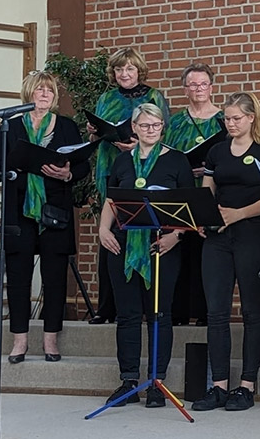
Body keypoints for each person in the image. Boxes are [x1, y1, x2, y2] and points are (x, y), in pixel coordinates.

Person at [0, 71, 90, 364]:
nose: (45, 94)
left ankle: (50, 340)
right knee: (18, 278)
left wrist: (67, 174)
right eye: (39, 89)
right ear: (28, 93)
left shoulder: (66, 126)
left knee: (55, 279)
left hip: (55, 210)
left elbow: (83, 167)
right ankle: (19, 341)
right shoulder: (11, 126)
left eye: (50, 90)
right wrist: (17, 169)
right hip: (19, 211)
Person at [97, 103, 194, 407]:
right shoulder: (123, 161)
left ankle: (156, 382)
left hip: (161, 246)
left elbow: (188, 206)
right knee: (127, 315)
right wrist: (103, 230)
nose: (151, 130)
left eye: (156, 125)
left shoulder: (177, 160)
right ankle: (128, 380)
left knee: (159, 314)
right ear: (134, 128)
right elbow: (111, 199)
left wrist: (175, 236)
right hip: (124, 246)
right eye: (144, 125)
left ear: (162, 127)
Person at [192, 92, 260, 412]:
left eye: (236, 118)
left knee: (251, 311)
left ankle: (246, 385)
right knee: (216, 312)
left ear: (251, 118)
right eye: (227, 118)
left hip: (254, 234)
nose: (230, 123)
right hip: (218, 238)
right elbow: (207, 191)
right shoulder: (217, 151)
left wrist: (238, 214)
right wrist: (204, 217)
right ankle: (218, 385)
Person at [88, 47, 169, 325]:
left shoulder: (154, 96)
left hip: (145, 168)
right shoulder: (106, 98)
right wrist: (95, 132)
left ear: (139, 70)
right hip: (113, 169)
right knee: (111, 235)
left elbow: (163, 131)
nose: (124, 73)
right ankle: (106, 307)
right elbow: (97, 134)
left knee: (144, 232)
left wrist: (137, 145)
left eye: (130, 68)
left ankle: (145, 305)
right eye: (119, 69)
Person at [165, 63, 224, 327]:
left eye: (203, 84)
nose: (198, 89)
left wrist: (210, 168)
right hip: (180, 193)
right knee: (180, 252)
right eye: (192, 84)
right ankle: (178, 312)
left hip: (211, 193)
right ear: (185, 89)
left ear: (211, 87)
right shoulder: (176, 122)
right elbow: (167, 153)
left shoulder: (223, 120)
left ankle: (203, 312)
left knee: (206, 253)